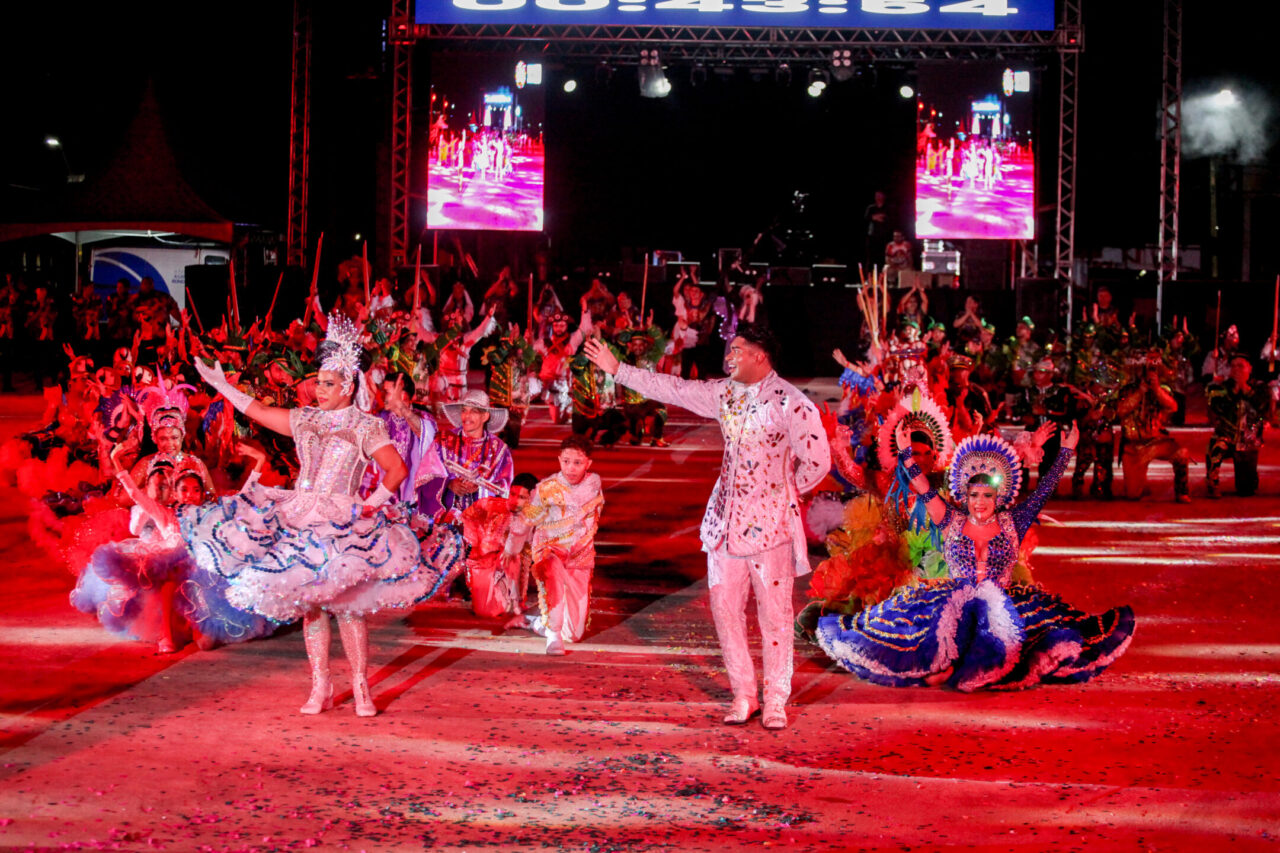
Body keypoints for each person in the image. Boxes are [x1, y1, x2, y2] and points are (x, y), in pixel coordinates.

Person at [187, 314, 441, 717]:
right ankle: (321, 685)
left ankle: (360, 687)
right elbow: (258, 411)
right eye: (317, 383)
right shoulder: (305, 418)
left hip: (342, 521)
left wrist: (372, 503)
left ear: (348, 386)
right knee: (313, 606)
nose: (318, 390)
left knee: (348, 607)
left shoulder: (365, 426)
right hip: (301, 516)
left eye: (327, 384)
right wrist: (222, 386)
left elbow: (396, 469)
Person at [583, 323, 831, 730]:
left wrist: (784, 492)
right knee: (725, 610)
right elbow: (674, 388)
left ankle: (776, 699)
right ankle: (744, 694)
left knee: (774, 615)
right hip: (723, 525)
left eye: (737, 350)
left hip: (771, 530)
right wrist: (618, 369)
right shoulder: (724, 393)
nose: (729, 357)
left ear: (760, 356)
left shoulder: (791, 402)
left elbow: (818, 460)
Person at [815, 429, 1135, 691]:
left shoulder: (1013, 522)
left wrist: (1065, 452)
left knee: (1031, 634)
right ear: (965, 496)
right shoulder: (950, 519)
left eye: (987, 496)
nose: (980, 502)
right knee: (929, 632)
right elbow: (923, 487)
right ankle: (951, 666)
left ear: (998, 497)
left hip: (1005, 601)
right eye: (974, 496)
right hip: (953, 599)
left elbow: (1043, 492)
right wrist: (906, 454)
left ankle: (972, 667)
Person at [505, 435, 605, 655]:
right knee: (551, 570)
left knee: (574, 634)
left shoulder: (594, 485)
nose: (571, 468)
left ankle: (534, 622)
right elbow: (525, 520)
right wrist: (511, 548)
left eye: (577, 463)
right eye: (566, 461)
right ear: (559, 460)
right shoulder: (546, 489)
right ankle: (553, 634)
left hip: (580, 557)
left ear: (588, 463)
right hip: (551, 551)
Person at [461, 472, 539, 620]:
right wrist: (474, 544)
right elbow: (467, 515)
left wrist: (520, 599)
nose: (515, 501)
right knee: (484, 610)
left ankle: (509, 598)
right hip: (481, 563)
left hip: (506, 568)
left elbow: (525, 561)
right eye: (513, 494)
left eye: (522, 497)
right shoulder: (492, 505)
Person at [1116, 358, 1191, 503]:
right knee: (1132, 494)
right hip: (1134, 446)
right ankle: (1141, 485)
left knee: (1181, 453)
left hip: (1156, 442)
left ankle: (1182, 491)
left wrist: (1156, 389)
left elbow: (1173, 407)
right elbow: (1120, 411)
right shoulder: (1127, 391)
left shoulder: (1162, 390)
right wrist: (1140, 392)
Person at [1204, 354, 1277, 498]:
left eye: (1240, 366)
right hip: (1225, 437)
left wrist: (1246, 389)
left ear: (1250, 369)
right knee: (1217, 447)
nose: (1236, 369)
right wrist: (1234, 391)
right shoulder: (1220, 387)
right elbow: (1217, 408)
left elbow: (1264, 408)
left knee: (1246, 490)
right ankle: (1212, 481)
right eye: (1233, 366)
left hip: (1248, 442)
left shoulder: (1261, 388)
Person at [437, 389, 515, 517]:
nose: (467, 416)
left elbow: (506, 490)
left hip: (484, 520)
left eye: (473, 411)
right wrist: (449, 484)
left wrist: (481, 488)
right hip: (447, 518)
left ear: (485, 416)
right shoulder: (443, 441)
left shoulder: (499, 450)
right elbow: (425, 477)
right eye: (464, 410)